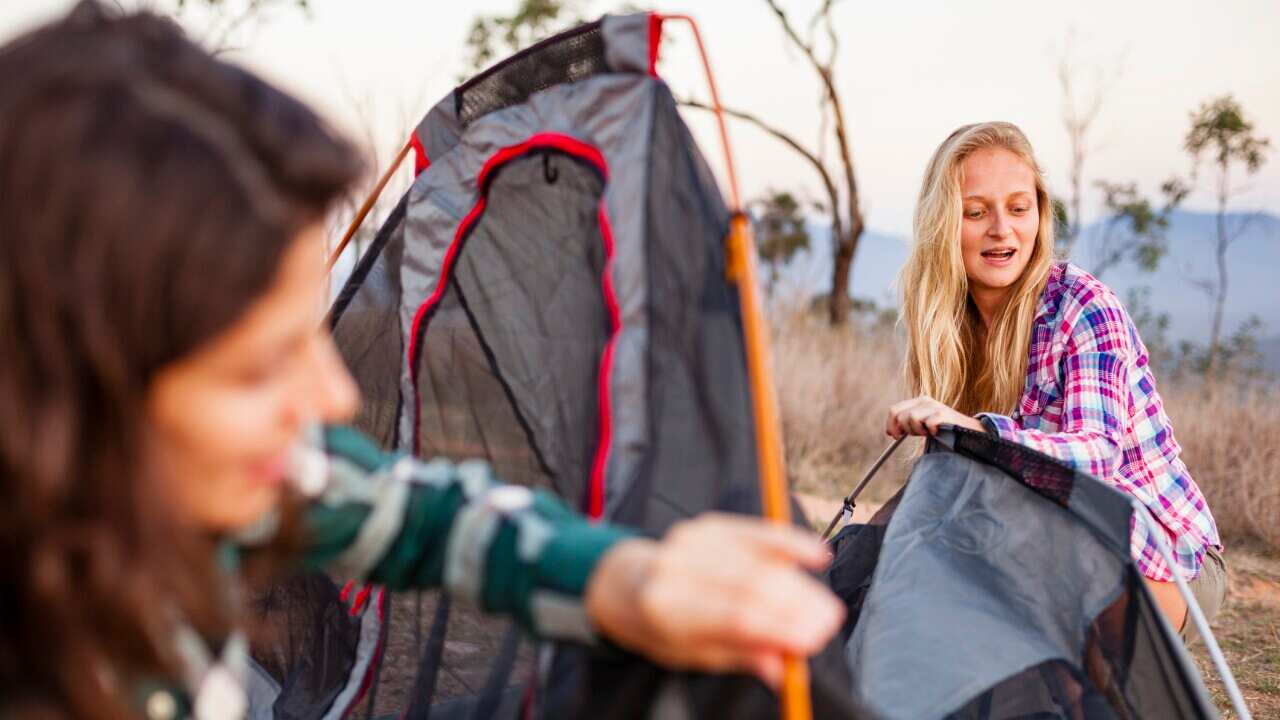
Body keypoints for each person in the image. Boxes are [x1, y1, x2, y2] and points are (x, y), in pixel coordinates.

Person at [0, 5, 843, 718]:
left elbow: (421, 516)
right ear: (66, 392)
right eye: (259, 367)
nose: (331, 395)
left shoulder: (206, 481)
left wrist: (626, 579)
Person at [884, 121, 1224, 641]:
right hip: (1033, 541)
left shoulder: (1084, 306)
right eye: (975, 212)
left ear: (1040, 216)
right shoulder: (945, 322)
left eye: (1019, 208)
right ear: (943, 223)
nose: (1002, 229)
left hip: (1160, 557)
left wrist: (980, 430)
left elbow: (1096, 456)